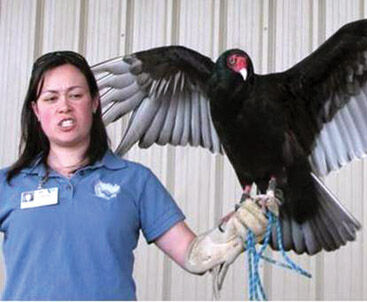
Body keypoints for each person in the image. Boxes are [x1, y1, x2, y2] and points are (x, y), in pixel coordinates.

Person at [0, 51, 273, 300]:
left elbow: (194, 255)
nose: (64, 106)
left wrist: (234, 233)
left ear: (94, 103)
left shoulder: (134, 180)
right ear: (36, 110)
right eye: (50, 98)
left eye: (75, 95)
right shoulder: (7, 184)